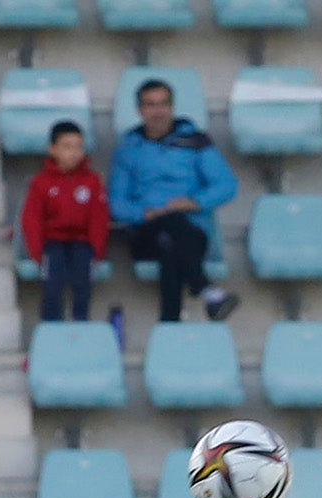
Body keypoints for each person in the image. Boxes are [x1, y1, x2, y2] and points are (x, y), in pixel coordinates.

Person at [107, 79, 239, 324]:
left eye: (163, 104)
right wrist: (144, 213)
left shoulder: (196, 141)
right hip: (145, 231)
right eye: (150, 105)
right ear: (140, 110)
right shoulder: (129, 147)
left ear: (172, 106)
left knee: (170, 242)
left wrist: (193, 202)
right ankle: (205, 290)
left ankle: (172, 322)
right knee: (168, 232)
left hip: (191, 231)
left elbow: (227, 185)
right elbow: (116, 203)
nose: (158, 111)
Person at [20, 121, 110, 323]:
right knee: (52, 284)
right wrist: (37, 251)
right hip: (53, 243)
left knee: (83, 284)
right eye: (67, 147)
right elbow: (32, 219)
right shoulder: (41, 182)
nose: (74, 153)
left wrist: (97, 249)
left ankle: (81, 324)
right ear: (53, 149)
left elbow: (99, 217)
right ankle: (51, 327)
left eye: (78, 146)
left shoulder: (92, 180)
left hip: (82, 242)